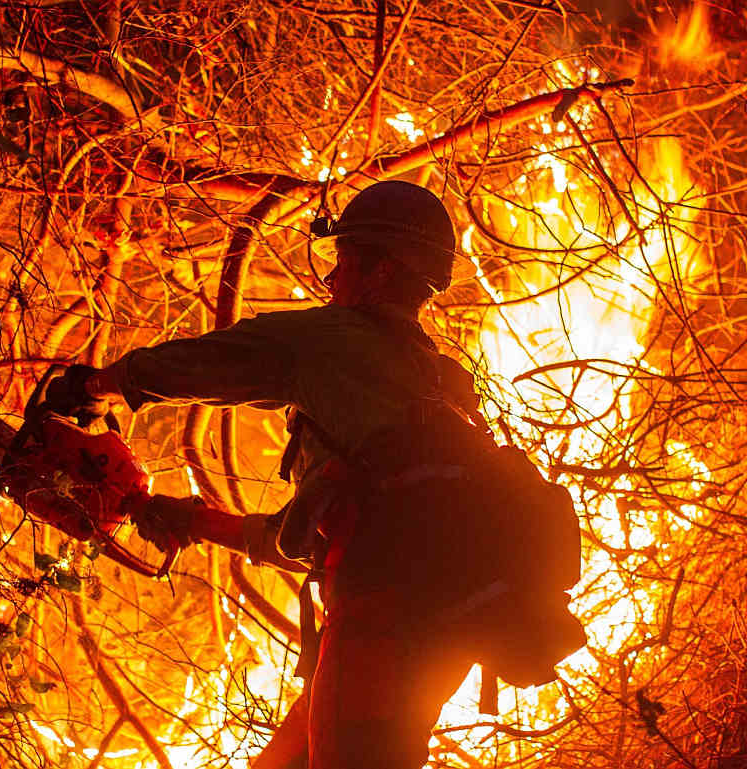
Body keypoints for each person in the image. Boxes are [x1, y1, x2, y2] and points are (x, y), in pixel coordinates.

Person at [41, 181, 576, 768]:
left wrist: (96, 387)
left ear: (380, 270)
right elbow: (320, 541)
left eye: (343, 260)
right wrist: (191, 520)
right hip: (434, 636)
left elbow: (206, 364)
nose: (331, 278)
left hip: (381, 624)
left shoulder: (333, 341)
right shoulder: (435, 387)